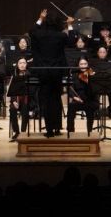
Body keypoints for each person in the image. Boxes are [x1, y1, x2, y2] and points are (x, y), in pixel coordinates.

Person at [29, 8, 76, 137]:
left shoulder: (39, 34)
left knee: (46, 100)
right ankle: (57, 128)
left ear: (46, 22)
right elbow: (72, 41)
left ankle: (49, 130)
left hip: (43, 72)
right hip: (57, 72)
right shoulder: (61, 36)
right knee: (56, 99)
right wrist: (70, 25)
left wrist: (40, 18)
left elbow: (31, 32)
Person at [67, 57, 99, 135]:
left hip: (90, 99)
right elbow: (70, 89)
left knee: (90, 108)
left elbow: (95, 91)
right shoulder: (75, 75)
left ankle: (89, 131)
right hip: (78, 100)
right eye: (81, 64)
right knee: (71, 106)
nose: (83, 66)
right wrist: (74, 97)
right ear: (78, 65)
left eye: (85, 64)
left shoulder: (92, 74)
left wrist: (90, 80)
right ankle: (70, 131)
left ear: (88, 64)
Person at [8, 57, 31, 140]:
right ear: (17, 65)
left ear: (26, 64)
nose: (22, 65)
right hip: (16, 99)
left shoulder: (29, 75)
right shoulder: (14, 75)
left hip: (27, 99)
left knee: (25, 110)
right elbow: (11, 91)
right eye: (20, 63)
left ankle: (23, 131)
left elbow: (32, 91)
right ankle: (16, 132)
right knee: (12, 109)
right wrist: (14, 101)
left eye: (24, 63)